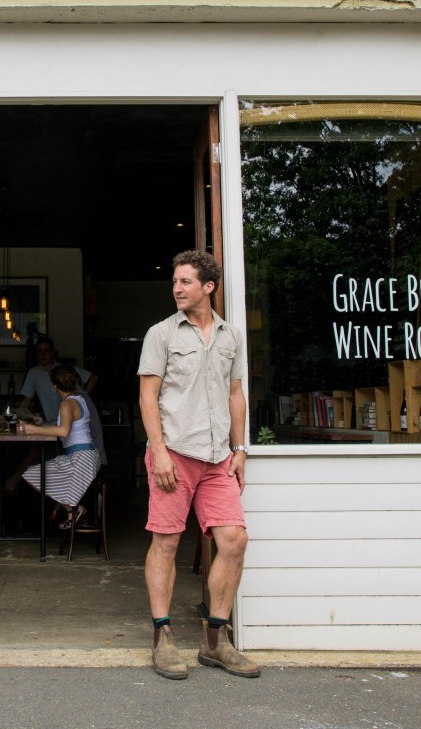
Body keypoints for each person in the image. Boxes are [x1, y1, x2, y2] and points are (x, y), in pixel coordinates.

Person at [137, 249, 259, 681]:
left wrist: (240, 448)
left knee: (235, 540)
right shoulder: (161, 334)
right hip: (175, 455)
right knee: (166, 544)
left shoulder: (231, 337)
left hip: (217, 459)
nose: (176, 288)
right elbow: (147, 397)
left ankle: (215, 641)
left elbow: (235, 394)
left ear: (209, 287)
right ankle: (163, 636)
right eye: (174, 281)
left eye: (185, 282)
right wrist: (161, 452)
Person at [15, 364, 101, 529]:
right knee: (36, 474)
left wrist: (33, 429)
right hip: (85, 456)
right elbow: (70, 426)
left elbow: (64, 431)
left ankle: (73, 509)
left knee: (34, 474)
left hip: (80, 459)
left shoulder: (66, 404)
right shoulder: (80, 400)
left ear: (54, 386)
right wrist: (41, 424)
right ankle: (73, 509)